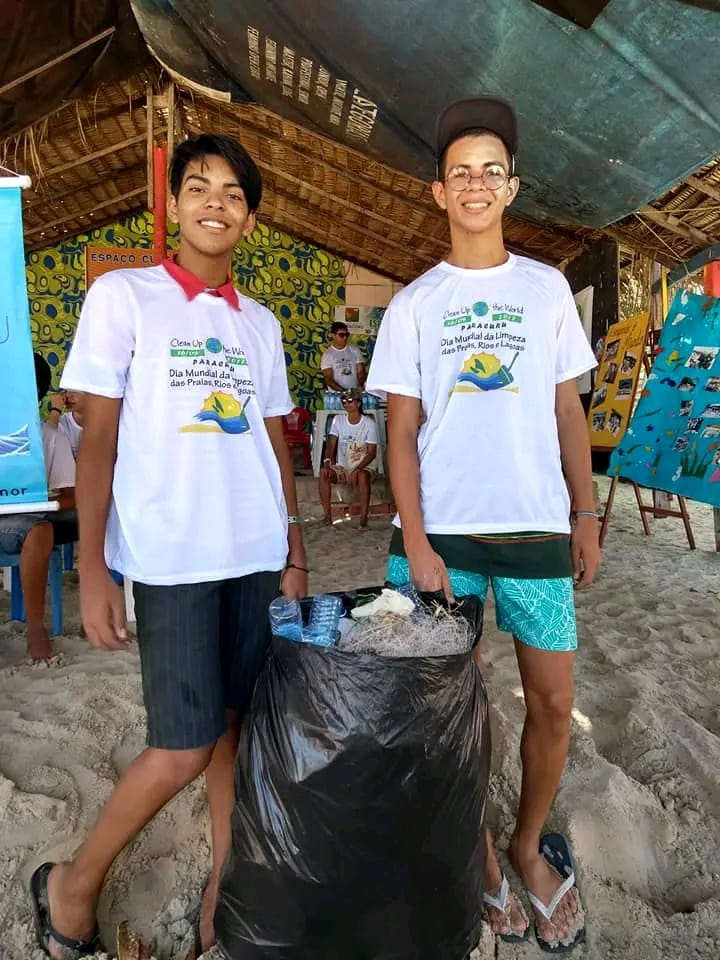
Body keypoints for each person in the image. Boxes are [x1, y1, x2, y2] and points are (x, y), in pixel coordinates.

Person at [30, 133, 308, 960]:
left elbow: (273, 440)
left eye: (233, 193)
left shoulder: (260, 323)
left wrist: (294, 549)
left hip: (255, 552)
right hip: (172, 557)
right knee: (183, 745)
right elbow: (98, 441)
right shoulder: (124, 297)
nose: (215, 202)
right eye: (199, 187)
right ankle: (73, 885)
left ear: (249, 220)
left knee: (232, 726)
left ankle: (224, 879)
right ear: (174, 204)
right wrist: (92, 568)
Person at [367, 96, 600, 953]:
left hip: (536, 531)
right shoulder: (415, 303)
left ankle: (526, 845)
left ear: (511, 188)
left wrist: (584, 514)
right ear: (439, 191)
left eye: (489, 172)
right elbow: (400, 431)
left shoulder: (545, 290)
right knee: (442, 710)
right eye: (459, 172)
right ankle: (477, 856)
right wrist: (416, 541)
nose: (474, 184)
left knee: (553, 700)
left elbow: (567, 411)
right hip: (443, 537)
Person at [0, 353, 76, 661]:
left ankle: (35, 629)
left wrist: (42, 501)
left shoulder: (49, 436)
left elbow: (71, 496)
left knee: (41, 530)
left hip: (23, 525)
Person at [318, 387, 378, 527]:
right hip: (343, 466)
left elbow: (372, 453)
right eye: (344, 401)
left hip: (364, 465)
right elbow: (330, 445)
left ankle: (363, 519)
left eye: (350, 400)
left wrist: (357, 469)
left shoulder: (369, 423)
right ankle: (327, 517)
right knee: (324, 473)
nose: (346, 404)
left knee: (362, 475)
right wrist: (327, 462)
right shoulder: (337, 420)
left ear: (358, 403)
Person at [320, 320, 365, 392]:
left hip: (355, 392)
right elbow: (328, 378)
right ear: (333, 335)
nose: (345, 337)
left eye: (347, 335)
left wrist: (359, 387)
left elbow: (361, 371)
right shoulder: (327, 355)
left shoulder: (355, 349)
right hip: (337, 394)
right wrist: (343, 391)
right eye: (341, 335)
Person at [47, 389, 85, 457]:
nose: (67, 395)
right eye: (65, 390)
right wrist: (55, 411)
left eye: (74, 389)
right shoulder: (58, 424)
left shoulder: (104, 425)